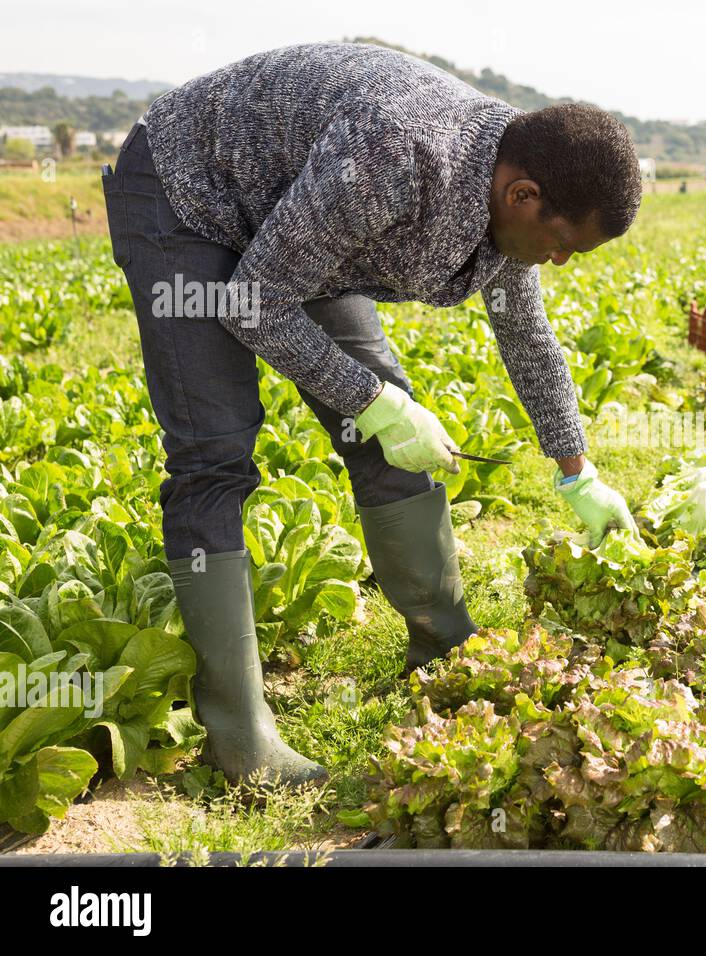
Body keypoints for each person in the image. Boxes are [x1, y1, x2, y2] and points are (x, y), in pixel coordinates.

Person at [101, 42, 641, 787]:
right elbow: (252, 302)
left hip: (300, 208)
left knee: (384, 422)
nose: (559, 262)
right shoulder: (399, 155)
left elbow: (527, 334)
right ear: (522, 196)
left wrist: (578, 470)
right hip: (184, 190)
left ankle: (444, 652)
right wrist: (376, 403)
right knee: (214, 449)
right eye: (562, 244)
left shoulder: (505, 182)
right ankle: (239, 738)